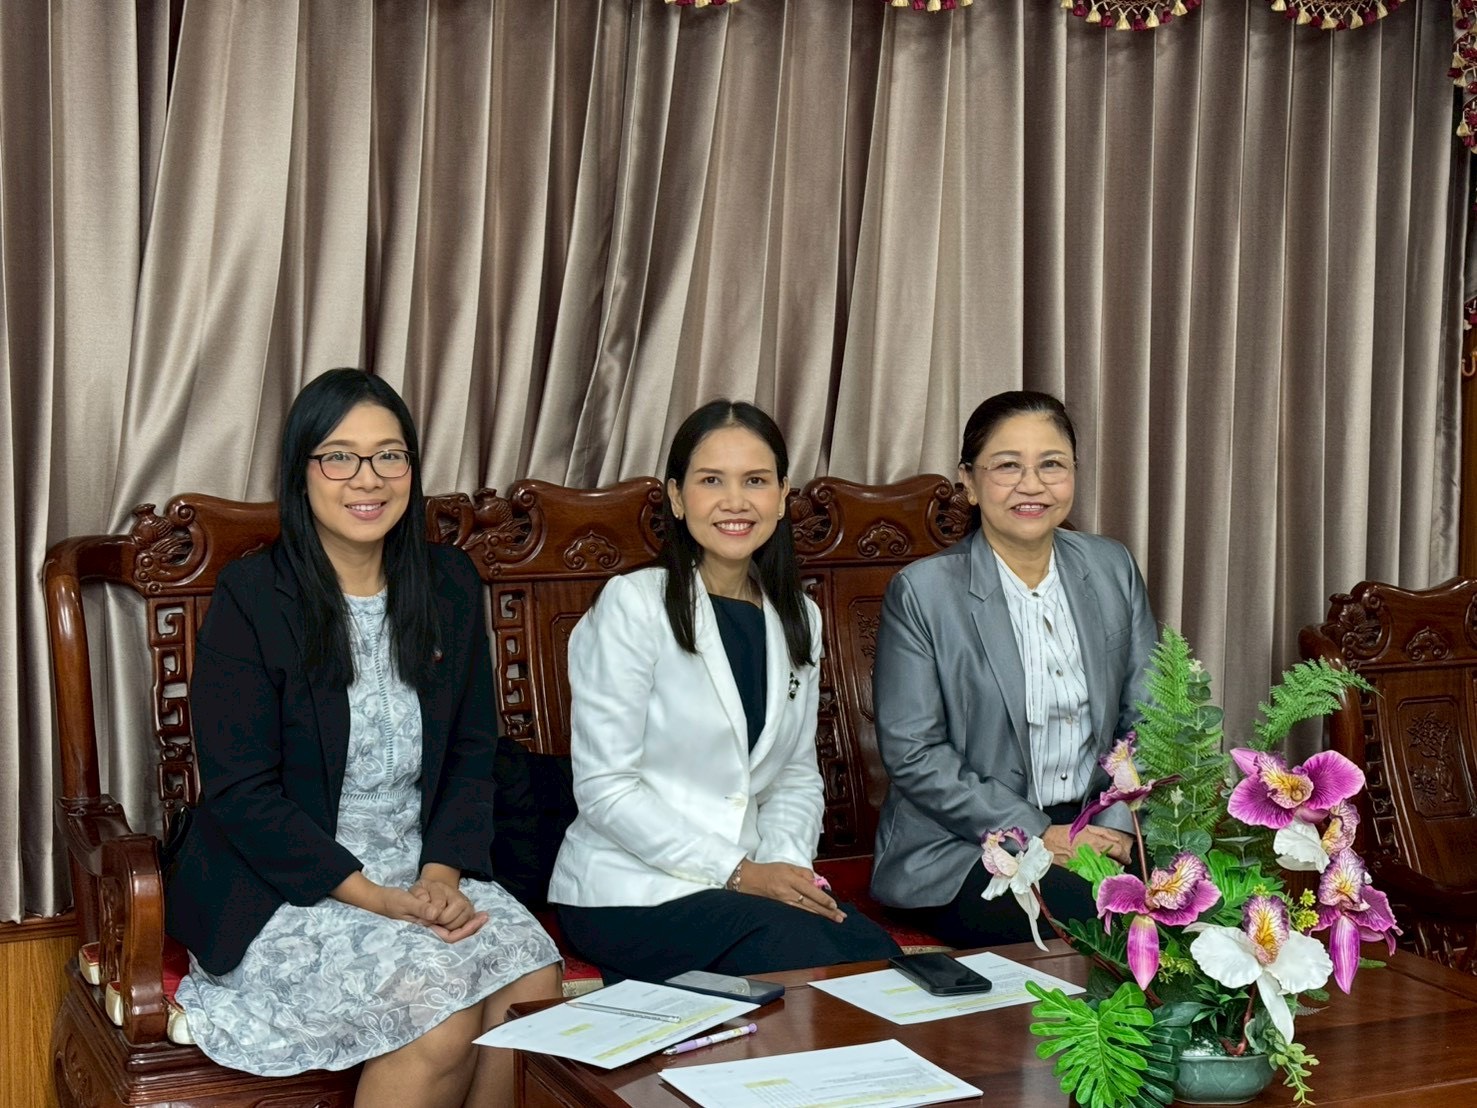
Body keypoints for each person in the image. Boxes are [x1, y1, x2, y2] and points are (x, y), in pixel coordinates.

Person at [165, 369, 561, 1108]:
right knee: (440, 1011)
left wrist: (441, 877)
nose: (367, 478)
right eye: (339, 457)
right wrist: (374, 898)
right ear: (301, 471)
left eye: (389, 455)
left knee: (532, 983)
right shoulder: (253, 598)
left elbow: (472, 752)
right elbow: (243, 793)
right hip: (286, 885)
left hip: (422, 866)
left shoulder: (447, 583)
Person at [548, 399, 900, 982]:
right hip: (631, 889)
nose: (735, 501)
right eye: (712, 480)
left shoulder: (799, 616)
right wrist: (739, 872)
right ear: (677, 497)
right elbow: (606, 789)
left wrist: (784, 868)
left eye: (755, 481)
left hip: (751, 884)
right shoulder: (634, 604)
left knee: (876, 954)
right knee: (823, 958)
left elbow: (794, 775)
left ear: (782, 496)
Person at [869, 390, 1157, 948]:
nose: (1032, 485)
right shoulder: (923, 593)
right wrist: (1041, 833)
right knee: (1111, 923)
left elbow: (1146, 717)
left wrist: (1117, 831)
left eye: (1051, 464)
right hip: (965, 843)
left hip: (1099, 824)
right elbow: (914, 752)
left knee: (1216, 900)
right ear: (970, 483)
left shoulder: (1111, 566)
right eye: (1007, 466)